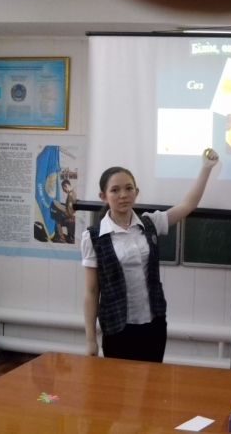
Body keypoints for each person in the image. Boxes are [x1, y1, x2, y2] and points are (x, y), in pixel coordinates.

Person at [81, 148, 219, 362]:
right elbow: (91, 291)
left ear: (136, 192)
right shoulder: (93, 237)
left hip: (154, 324)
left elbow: (188, 205)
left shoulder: (150, 223)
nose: (123, 195)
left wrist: (206, 168)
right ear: (103, 196)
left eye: (129, 188)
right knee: (118, 382)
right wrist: (91, 339)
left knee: (153, 380)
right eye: (115, 190)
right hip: (117, 327)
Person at [51, 179, 77, 243]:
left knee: (57, 220)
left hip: (71, 218)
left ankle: (62, 238)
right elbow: (69, 207)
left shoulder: (71, 195)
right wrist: (60, 205)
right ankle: (64, 237)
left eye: (63, 188)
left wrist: (60, 207)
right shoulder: (72, 193)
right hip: (72, 217)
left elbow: (70, 212)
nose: (63, 190)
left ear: (66, 186)